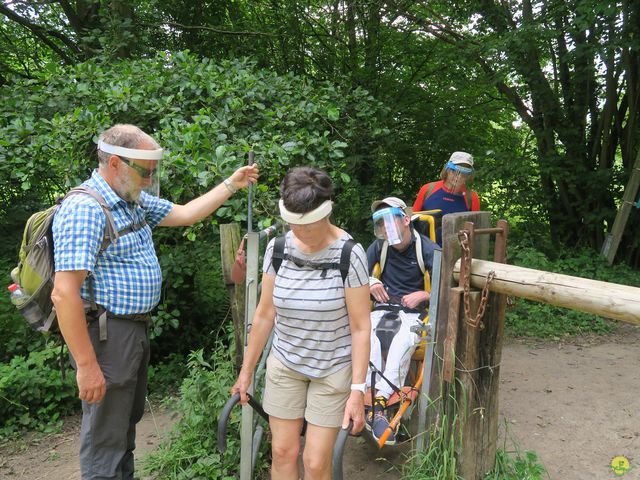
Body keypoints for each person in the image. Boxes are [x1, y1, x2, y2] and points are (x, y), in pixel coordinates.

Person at [51, 124, 258, 480]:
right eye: (145, 171)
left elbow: (186, 213)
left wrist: (231, 184)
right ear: (115, 164)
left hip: (130, 332)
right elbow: (63, 293)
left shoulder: (132, 200)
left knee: (123, 432)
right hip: (106, 337)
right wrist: (86, 366)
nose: (149, 180)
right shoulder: (85, 208)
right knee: (105, 440)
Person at [232, 166, 370, 480]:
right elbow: (265, 314)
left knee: (316, 463)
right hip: (286, 364)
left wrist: (357, 392)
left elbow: (361, 328)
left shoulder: (350, 254)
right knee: (282, 453)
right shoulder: (277, 249)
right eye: (293, 224)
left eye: (307, 225)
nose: (299, 232)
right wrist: (246, 371)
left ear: (326, 212)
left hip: (332, 370)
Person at [366, 197, 438, 445]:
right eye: (380, 224)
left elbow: (448, 281)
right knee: (366, 336)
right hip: (382, 308)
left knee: (402, 343)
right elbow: (356, 272)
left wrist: (426, 294)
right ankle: (372, 401)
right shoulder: (379, 246)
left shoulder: (426, 249)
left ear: (406, 220)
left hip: (412, 314)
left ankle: (379, 404)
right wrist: (372, 282)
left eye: (389, 221)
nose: (386, 228)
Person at [412, 151, 480, 246]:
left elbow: (475, 231)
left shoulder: (472, 197)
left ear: (468, 176)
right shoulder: (428, 189)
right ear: (447, 170)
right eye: (454, 171)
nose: (458, 177)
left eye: (463, 174)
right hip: (425, 249)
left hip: (456, 251)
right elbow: (412, 219)